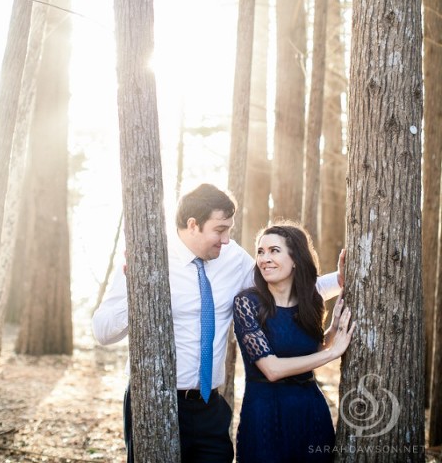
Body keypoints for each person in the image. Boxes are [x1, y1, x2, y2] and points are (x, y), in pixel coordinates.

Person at [92, 184, 344, 463]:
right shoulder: (149, 256)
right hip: (153, 400)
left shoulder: (233, 258)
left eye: (229, 230)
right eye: (220, 230)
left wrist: (340, 280)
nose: (226, 240)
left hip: (209, 405)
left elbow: (286, 289)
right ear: (193, 225)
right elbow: (103, 332)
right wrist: (137, 289)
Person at [233, 223, 355, 463]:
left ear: (295, 259)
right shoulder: (247, 303)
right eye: (261, 252)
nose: (264, 259)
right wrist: (333, 353)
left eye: (274, 251)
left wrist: (332, 330)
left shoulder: (311, 301)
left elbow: (309, 351)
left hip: (310, 412)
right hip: (264, 415)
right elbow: (272, 369)